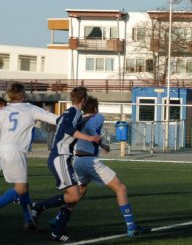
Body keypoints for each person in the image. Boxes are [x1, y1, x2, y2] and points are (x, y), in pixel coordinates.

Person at [48, 97, 151, 237]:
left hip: (77, 161)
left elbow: (80, 132)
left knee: (80, 191)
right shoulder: (98, 117)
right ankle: (131, 226)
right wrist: (98, 141)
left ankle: (58, 219)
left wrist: (101, 144)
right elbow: (91, 129)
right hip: (90, 162)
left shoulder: (79, 119)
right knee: (120, 188)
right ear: (96, 109)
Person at [0, 83, 58, 229]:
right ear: (21, 95)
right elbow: (53, 119)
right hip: (16, 151)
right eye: (25, 93)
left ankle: (28, 220)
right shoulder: (29, 108)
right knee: (20, 189)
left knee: (23, 187)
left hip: (4, 151)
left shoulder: (2, 111)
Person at [30, 87, 101, 242]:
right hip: (60, 156)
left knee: (74, 196)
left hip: (62, 157)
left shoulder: (71, 113)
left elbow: (72, 127)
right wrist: (91, 139)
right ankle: (38, 207)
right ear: (83, 100)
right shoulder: (74, 112)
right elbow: (69, 130)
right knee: (74, 195)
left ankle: (57, 231)